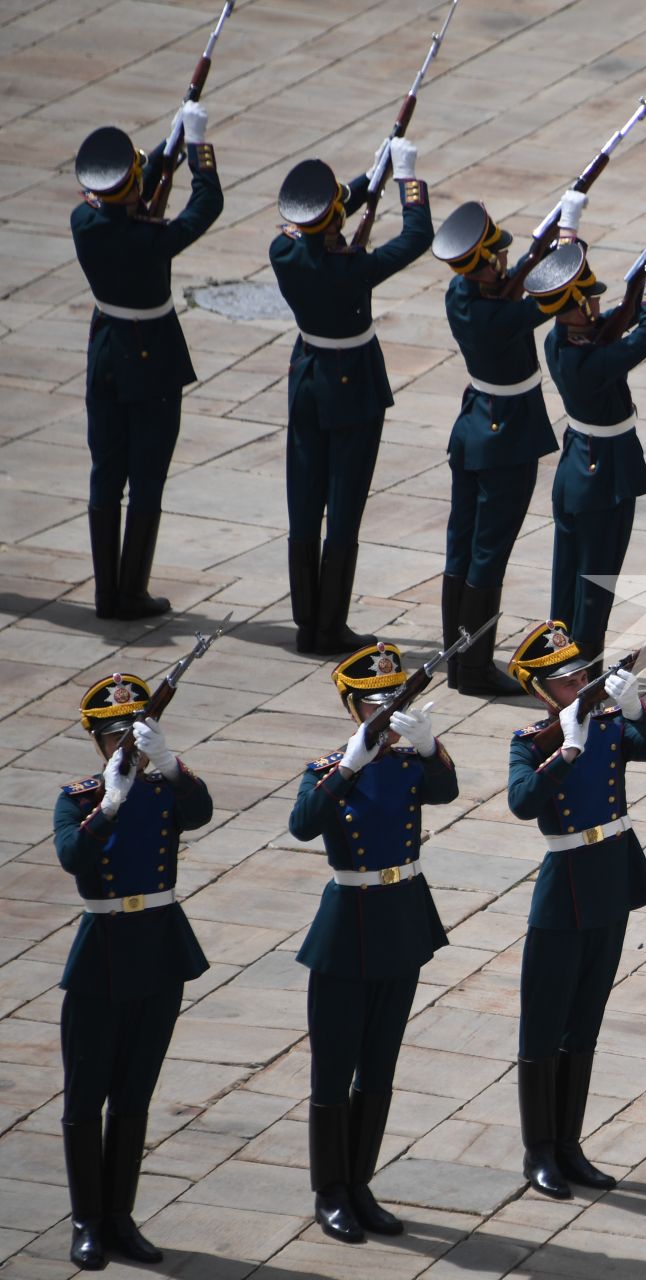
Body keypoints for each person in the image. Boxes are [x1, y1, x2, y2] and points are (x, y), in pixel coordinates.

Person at [504, 619, 646, 1198]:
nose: (578, 682)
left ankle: (570, 1144)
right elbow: (524, 802)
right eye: (564, 678)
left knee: (585, 1020)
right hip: (565, 886)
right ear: (540, 690)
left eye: (581, 671)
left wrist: (635, 711)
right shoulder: (532, 742)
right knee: (544, 1022)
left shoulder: (605, 725)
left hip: (612, 879)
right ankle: (540, 1151)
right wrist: (568, 749)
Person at [289, 644, 457, 1242]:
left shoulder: (409, 763)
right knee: (334, 1068)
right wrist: (348, 768)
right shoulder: (330, 767)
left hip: (402, 917)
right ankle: (329, 1191)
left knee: (379, 1066)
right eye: (375, 703)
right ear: (354, 708)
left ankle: (359, 1183)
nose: (385, 711)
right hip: (348, 923)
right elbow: (303, 823)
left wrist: (431, 745)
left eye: (393, 700)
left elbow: (448, 791)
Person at [53, 675, 214, 1269]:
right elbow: (74, 858)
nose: (126, 740)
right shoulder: (79, 798)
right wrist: (109, 806)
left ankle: (120, 1215)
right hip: (103, 952)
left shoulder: (164, 788)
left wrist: (170, 764)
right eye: (114, 732)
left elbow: (199, 810)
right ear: (97, 739)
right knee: (85, 1095)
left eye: (135, 730)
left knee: (133, 1094)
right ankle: (86, 1221)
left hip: (159, 946)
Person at [270, 144, 433, 654]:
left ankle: (306, 624)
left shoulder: (284, 252)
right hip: (352, 385)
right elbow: (417, 236)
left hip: (308, 378)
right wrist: (406, 179)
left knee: (303, 503)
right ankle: (331, 626)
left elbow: (329, 211)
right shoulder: (351, 268)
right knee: (342, 507)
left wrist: (371, 173)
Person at [70, 104, 224, 621]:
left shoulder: (85, 222)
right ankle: (131, 591)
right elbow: (208, 204)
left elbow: (128, 189)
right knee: (147, 474)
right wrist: (197, 148)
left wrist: (168, 145)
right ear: (133, 187)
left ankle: (105, 593)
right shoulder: (150, 239)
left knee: (105, 471)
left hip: (106, 351)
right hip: (152, 357)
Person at [429, 195, 580, 694]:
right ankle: (473, 670)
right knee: (488, 554)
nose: (506, 262)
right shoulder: (499, 316)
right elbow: (559, 290)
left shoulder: (461, 294)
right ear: (488, 262)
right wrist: (570, 235)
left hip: (474, 427)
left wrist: (530, 258)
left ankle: (456, 660)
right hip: (506, 439)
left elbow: (511, 286)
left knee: (461, 547)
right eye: (500, 257)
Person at [525, 226, 646, 661]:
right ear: (571, 308)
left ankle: (559, 664)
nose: (595, 304)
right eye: (588, 299)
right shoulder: (589, 362)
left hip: (580, 469)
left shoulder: (561, 339)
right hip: (602, 478)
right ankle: (581, 677)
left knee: (570, 580)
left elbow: (620, 318)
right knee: (595, 585)